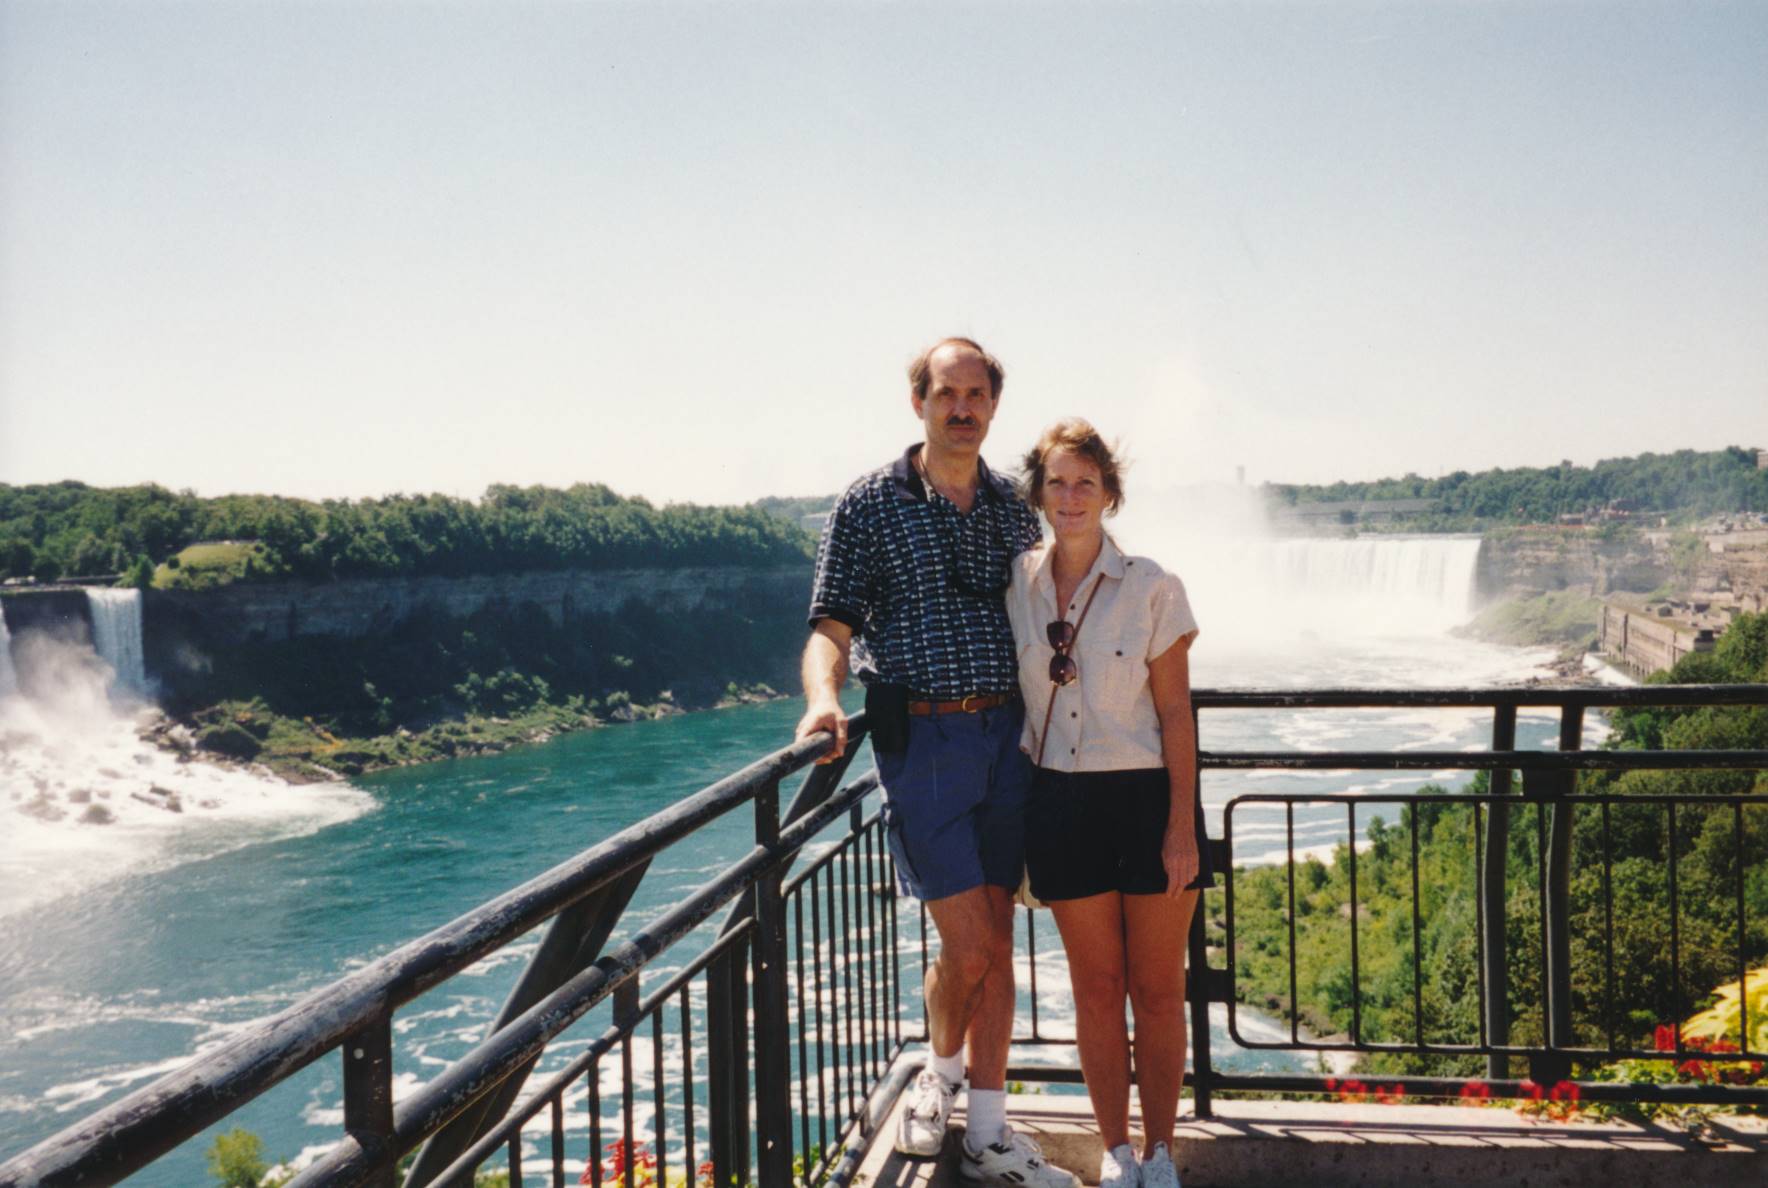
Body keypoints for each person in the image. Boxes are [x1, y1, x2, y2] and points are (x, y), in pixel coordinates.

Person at [795, 338, 1079, 1187]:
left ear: (994, 405)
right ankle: (943, 1072)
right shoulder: (869, 505)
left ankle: (984, 1128)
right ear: (917, 401)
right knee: (976, 941)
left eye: (977, 394)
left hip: (1008, 740)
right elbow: (830, 627)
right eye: (946, 393)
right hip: (921, 744)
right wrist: (820, 698)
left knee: (993, 938)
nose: (962, 408)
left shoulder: (1008, 506)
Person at [1005, 419, 1211, 1188]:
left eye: (1085, 483)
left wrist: (1181, 829)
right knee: (1095, 990)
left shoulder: (1155, 587)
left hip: (1146, 798)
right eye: (1056, 482)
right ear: (1038, 494)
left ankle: (1161, 1154)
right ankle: (1115, 1153)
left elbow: (1178, 717)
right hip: (1058, 800)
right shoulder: (1016, 585)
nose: (1070, 497)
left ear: (1110, 494)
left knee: (1157, 991)